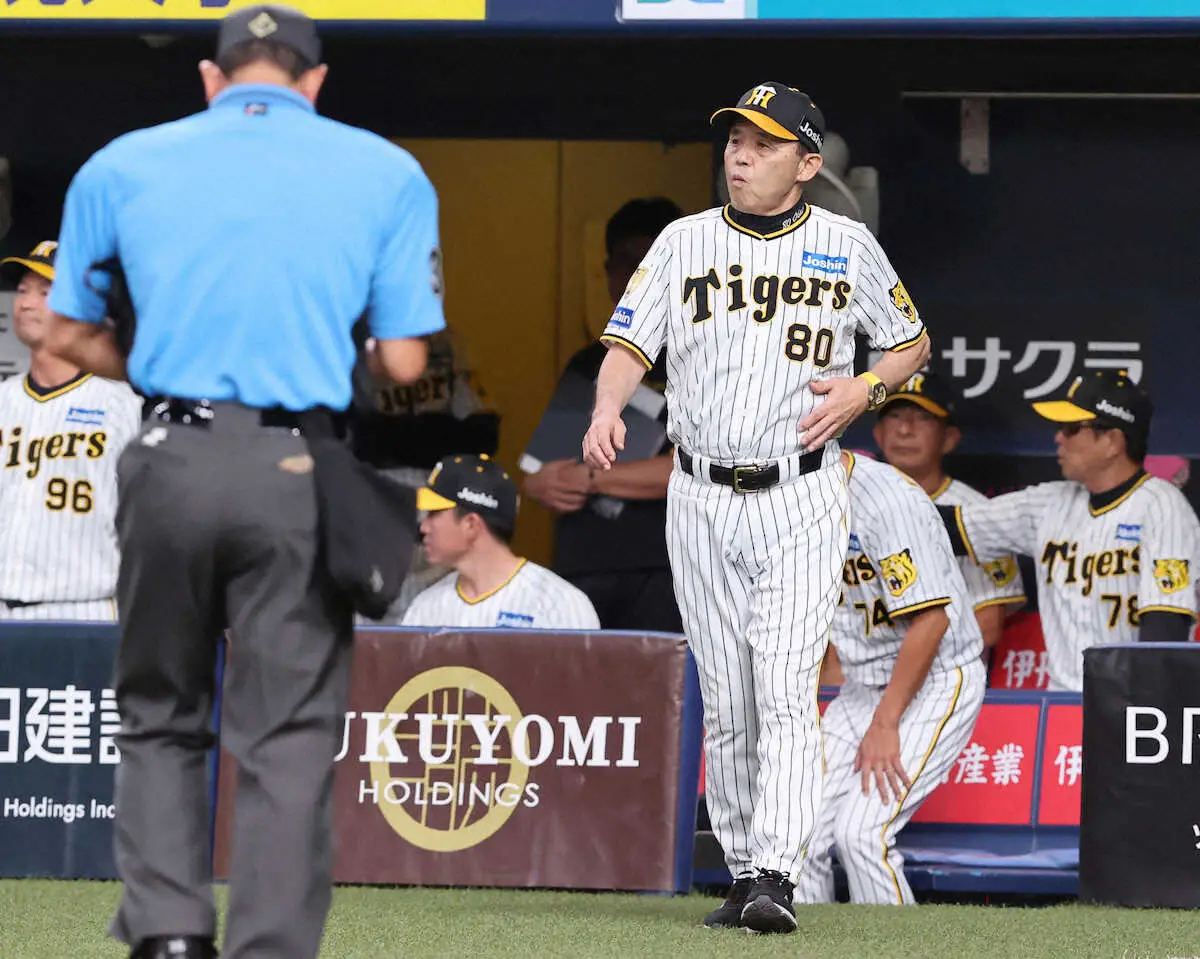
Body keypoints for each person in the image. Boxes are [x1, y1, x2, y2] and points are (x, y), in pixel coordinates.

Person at [43, 7, 443, 958]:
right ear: (314, 81)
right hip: (294, 467)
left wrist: (160, 357)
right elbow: (402, 359)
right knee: (289, 733)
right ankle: (266, 946)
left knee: (160, 711)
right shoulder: (385, 170)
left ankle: (170, 934)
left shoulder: (123, 161)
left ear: (213, 79)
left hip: (169, 457)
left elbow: (57, 334)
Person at [582, 81, 932, 933]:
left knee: (781, 680)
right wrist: (604, 408)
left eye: (765, 144)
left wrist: (864, 388)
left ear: (808, 164)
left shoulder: (846, 244)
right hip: (698, 490)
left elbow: (911, 341)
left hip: (802, 488)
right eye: (737, 139)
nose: (741, 153)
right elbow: (631, 341)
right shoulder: (682, 239)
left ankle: (777, 867)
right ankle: (744, 872)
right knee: (730, 694)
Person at [796, 451, 985, 905]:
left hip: (936, 679)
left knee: (862, 835)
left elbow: (932, 621)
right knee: (796, 835)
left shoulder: (887, 500)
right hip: (863, 684)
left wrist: (885, 722)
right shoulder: (785, 498)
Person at [939, 370, 1200, 691]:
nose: (1058, 437)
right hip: (1060, 709)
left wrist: (1138, 718)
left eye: (1072, 428)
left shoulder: (1162, 507)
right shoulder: (1050, 503)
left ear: (1112, 441)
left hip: (1131, 706)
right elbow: (948, 528)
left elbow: (1164, 633)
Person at [523, 197, 683, 632]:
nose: (634, 277)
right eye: (624, 263)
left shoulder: (703, 359)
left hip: (666, 572)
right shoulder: (587, 362)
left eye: (646, 263)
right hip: (581, 570)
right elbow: (540, 474)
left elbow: (692, 470)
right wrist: (541, 484)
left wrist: (592, 479)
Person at [0, 241, 141, 621]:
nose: (26, 303)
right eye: (24, 290)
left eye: (45, 292)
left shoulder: (123, 404)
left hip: (86, 609)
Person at [351, 324, 500, 620]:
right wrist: (430, 431)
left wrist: (395, 435)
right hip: (373, 500)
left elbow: (484, 432)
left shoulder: (450, 343)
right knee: (373, 617)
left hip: (439, 496)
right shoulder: (351, 340)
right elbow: (353, 436)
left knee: (441, 618)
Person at [872, 371, 1024, 647]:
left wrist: (909, 672)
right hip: (856, 676)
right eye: (895, 416)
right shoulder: (845, 504)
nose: (905, 429)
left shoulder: (977, 514)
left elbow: (988, 623)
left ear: (949, 438)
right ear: (878, 434)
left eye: (923, 418)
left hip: (945, 680)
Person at [403, 454, 601, 630]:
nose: (423, 527)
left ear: (471, 524)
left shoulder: (559, 604)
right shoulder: (426, 607)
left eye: (434, 514)